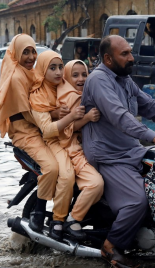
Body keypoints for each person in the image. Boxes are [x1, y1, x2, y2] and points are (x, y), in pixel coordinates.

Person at [81, 35, 155, 268]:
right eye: (124, 54)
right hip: (109, 155)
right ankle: (111, 246)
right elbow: (119, 115)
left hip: (130, 149)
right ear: (108, 58)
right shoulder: (98, 80)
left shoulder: (124, 79)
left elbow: (150, 106)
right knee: (139, 199)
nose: (131, 58)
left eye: (130, 52)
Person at [29, 54, 104, 241]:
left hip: (77, 147)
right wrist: (75, 117)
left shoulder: (75, 94)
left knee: (98, 182)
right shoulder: (47, 95)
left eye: (60, 68)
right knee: (66, 175)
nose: (80, 79)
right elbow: (52, 131)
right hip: (57, 143)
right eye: (52, 68)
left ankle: (73, 217)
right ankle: (58, 220)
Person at [0, 34, 60, 233]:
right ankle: (39, 214)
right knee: (52, 167)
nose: (31, 57)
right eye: (25, 53)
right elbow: (29, 114)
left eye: (33, 52)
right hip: (25, 132)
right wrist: (54, 114)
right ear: (15, 54)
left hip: (40, 127)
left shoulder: (30, 73)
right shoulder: (16, 77)